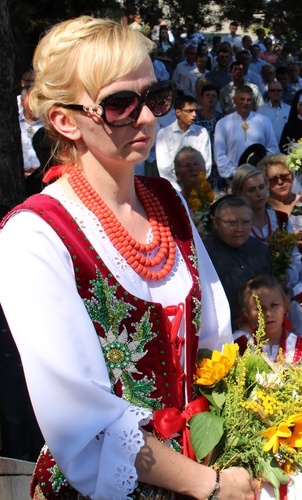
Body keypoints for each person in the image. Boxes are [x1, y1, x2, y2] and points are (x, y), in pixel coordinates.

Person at [0, 16, 255, 498]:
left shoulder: (168, 200)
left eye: (154, 97)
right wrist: (209, 484)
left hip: (208, 468)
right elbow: (80, 419)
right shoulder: (34, 236)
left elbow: (216, 343)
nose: (146, 118)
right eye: (119, 103)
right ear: (64, 119)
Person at [233, 275, 302, 499]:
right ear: (246, 312)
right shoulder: (237, 347)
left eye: (274, 306)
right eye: (259, 308)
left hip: (295, 445)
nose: (268, 314)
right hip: (251, 448)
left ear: (286, 307)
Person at [203, 195, 272, 327]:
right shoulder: (204, 254)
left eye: (246, 222)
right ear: (216, 223)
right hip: (222, 329)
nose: (239, 229)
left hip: (259, 327)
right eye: (232, 223)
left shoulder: (260, 250)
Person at [214, 85, 279, 180]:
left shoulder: (264, 121)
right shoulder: (223, 123)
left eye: (249, 100)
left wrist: (261, 168)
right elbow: (219, 154)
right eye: (242, 99)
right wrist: (235, 173)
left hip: (260, 176)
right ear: (234, 100)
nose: (245, 103)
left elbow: (272, 148)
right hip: (235, 178)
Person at [155, 94, 212, 192]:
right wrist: (180, 192)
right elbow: (164, 170)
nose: (194, 115)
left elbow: (206, 165)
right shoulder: (164, 134)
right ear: (178, 112)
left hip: (198, 188)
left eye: (195, 111)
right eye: (189, 111)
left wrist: (196, 186)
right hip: (173, 191)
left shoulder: (202, 132)